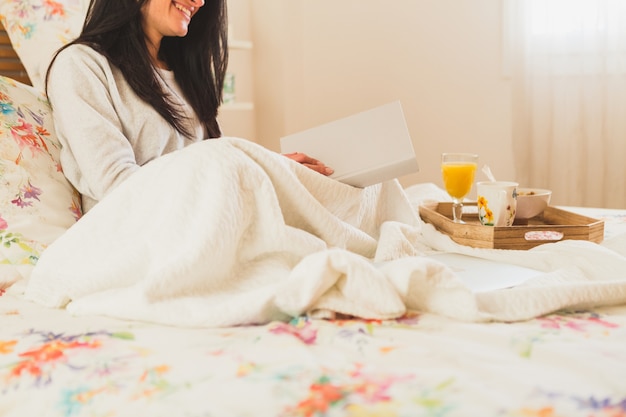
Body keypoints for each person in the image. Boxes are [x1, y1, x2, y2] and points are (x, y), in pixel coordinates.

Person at [45, 0, 333, 213]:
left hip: (209, 220)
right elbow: (118, 188)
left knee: (340, 195)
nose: (199, 2)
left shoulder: (183, 74)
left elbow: (213, 161)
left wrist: (271, 168)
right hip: (141, 235)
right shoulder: (81, 66)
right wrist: (258, 170)